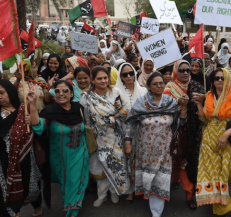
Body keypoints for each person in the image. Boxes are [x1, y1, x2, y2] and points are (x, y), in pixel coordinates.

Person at [0, 80, 41, 217]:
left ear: (10, 92)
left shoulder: (23, 109)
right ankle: (10, 213)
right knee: (5, 189)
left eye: (2, 93)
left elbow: (37, 125)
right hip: (4, 158)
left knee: (30, 185)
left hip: (26, 155)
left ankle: (37, 205)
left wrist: (33, 104)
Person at [125, 72, 185, 217]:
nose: (159, 86)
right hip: (145, 151)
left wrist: (183, 107)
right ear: (149, 86)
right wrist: (128, 141)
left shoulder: (171, 103)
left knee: (160, 178)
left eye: (161, 83)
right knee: (148, 177)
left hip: (164, 149)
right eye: (155, 84)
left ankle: (156, 212)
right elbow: (131, 123)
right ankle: (150, 198)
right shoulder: (141, 103)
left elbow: (179, 123)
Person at [27, 80, 89, 217]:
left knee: (75, 180)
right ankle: (70, 204)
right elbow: (38, 127)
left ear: (72, 93)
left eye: (65, 90)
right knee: (66, 182)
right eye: (57, 91)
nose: (61, 94)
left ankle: (72, 212)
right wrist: (32, 103)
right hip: (59, 156)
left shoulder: (79, 108)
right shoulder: (50, 111)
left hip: (80, 152)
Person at [195, 68, 231, 216]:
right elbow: (205, 119)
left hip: (227, 142)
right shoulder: (209, 96)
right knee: (210, 174)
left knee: (223, 175)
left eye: (222, 78)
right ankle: (221, 209)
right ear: (212, 81)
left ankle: (221, 205)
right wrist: (199, 105)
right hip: (208, 141)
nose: (219, 81)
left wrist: (225, 134)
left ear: (227, 79)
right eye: (216, 78)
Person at [80, 67, 130, 207]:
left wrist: (115, 116)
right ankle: (101, 195)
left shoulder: (115, 92)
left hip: (116, 135)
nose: (103, 81)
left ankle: (114, 192)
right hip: (98, 137)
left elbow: (126, 108)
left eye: (105, 78)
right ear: (93, 80)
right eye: (99, 78)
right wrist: (90, 135)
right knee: (101, 166)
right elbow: (87, 119)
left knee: (117, 164)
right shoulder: (87, 97)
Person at [163, 60, 206, 210]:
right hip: (175, 131)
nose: (186, 72)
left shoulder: (196, 86)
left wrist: (203, 98)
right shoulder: (170, 87)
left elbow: (208, 105)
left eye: (188, 70)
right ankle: (175, 180)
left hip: (194, 131)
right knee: (176, 158)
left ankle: (190, 195)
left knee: (188, 163)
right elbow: (164, 108)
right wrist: (177, 102)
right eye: (182, 70)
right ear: (176, 71)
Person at [115, 62, 147, 203]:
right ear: (120, 77)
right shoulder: (115, 92)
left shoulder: (144, 91)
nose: (128, 76)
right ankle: (129, 190)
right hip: (123, 130)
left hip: (141, 131)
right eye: (124, 74)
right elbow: (114, 112)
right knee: (126, 160)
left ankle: (139, 187)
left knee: (139, 160)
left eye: (131, 73)